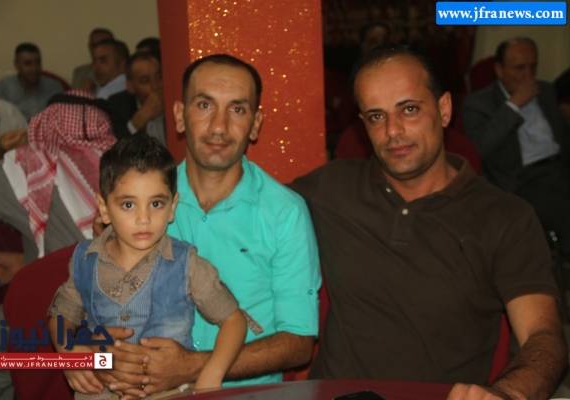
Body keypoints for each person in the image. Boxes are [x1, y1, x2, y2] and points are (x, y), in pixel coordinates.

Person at [291, 45, 567, 399]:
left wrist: (510, 392)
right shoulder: (332, 188)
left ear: (444, 109)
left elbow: (543, 336)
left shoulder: (504, 217)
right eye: (376, 116)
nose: (393, 131)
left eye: (409, 109)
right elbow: (245, 202)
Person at [91, 54, 321, 399]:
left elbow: (299, 343)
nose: (218, 127)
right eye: (204, 105)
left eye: (237, 109)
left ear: (255, 124)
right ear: (179, 116)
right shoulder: (138, 204)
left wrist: (192, 366)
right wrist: (87, 357)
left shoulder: (285, 213)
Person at [49, 134, 249, 398]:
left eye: (156, 204)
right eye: (128, 204)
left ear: (172, 207)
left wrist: (211, 375)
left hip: (169, 392)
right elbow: (60, 315)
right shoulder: (84, 260)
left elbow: (234, 321)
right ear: (104, 208)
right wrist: (68, 354)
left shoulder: (186, 264)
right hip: (99, 392)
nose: (143, 218)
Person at [0, 91, 116, 399]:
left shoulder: (28, 169)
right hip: (120, 341)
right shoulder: (127, 172)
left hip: (53, 341)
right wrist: (26, 264)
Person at [463, 37, 570, 260]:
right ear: (499, 70)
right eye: (520, 68)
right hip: (522, 179)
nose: (528, 76)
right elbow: (478, 149)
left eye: (533, 67)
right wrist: (513, 105)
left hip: (559, 168)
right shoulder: (478, 104)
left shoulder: (546, 91)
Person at [107, 52, 165, 145]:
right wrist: (137, 122)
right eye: (145, 80)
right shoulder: (117, 105)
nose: (155, 86)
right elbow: (115, 147)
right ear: (130, 86)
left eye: (159, 77)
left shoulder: (174, 97)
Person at [0, 42, 64, 120]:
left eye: (37, 62)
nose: (34, 68)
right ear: (16, 65)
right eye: (28, 64)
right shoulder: (3, 88)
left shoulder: (54, 88)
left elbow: (61, 118)